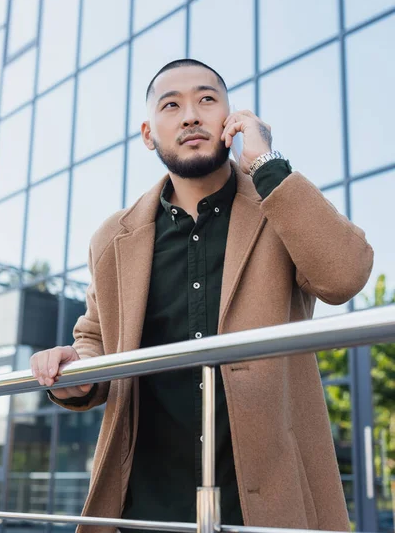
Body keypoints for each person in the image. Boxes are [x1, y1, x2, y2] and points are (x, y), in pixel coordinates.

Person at [31, 58, 374, 533]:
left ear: (232, 121)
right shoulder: (112, 237)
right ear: (150, 134)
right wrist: (76, 370)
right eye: (172, 105)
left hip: (267, 506)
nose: (191, 115)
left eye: (207, 100)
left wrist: (266, 164)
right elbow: (95, 337)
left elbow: (346, 276)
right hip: (144, 508)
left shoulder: (280, 204)